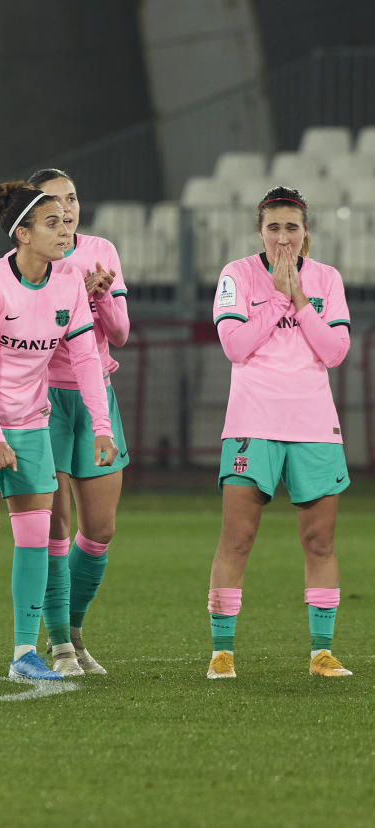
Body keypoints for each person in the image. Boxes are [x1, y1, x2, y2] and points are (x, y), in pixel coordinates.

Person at [0, 181, 116, 683]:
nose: (66, 231)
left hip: (31, 419)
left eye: (67, 221)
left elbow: (86, 359)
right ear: (23, 234)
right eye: (53, 224)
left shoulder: (69, 282)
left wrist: (101, 428)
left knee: (36, 534)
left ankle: (24, 653)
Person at [205, 186, 352, 680]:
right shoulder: (237, 275)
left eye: (292, 227)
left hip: (314, 425)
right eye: (274, 227)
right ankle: (222, 653)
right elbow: (237, 346)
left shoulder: (327, 279)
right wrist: (277, 298)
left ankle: (321, 653)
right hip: (253, 423)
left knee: (319, 541)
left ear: (306, 231)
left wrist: (301, 300)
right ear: (260, 232)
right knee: (238, 539)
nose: (283, 236)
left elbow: (333, 352)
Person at [26, 168, 130, 676]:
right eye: (53, 202)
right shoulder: (35, 259)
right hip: (44, 398)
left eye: (72, 197)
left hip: (95, 398)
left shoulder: (101, 251)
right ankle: (60, 644)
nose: (66, 209)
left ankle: (74, 629)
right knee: (55, 526)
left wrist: (100, 296)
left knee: (101, 530)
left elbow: (121, 333)